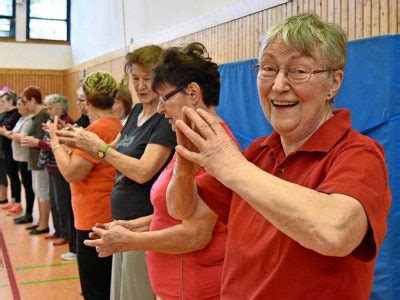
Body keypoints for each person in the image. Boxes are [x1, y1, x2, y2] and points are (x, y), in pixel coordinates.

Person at [166, 13, 391, 299]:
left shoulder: (358, 153)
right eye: (269, 69)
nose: (279, 85)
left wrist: (233, 167)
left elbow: (336, 232)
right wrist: (184, 165)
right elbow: (184, 211)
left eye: (299, 71)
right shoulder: (260, 153)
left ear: (333, 84)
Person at [82, 43, 233, 300]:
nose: (161, 108)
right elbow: (175, 214)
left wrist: (130, 241)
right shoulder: (188, 140)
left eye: (165, 97)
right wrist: (135, 225)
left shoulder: (213, 147)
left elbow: (195, 234)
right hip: (175, 283)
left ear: (193, 92)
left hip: (192, 285)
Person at [58, 45, 176, 300]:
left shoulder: (164, 120)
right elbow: (114, 151)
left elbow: (144, 171)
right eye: (135, 79)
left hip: (143, 222)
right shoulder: (135, 113)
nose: (142, 86)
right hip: (121, 220)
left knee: (136, 294)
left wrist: (97, 148)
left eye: (148, 78)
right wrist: (77, 141)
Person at [47, 71, 122, 300]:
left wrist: (55, 144)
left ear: (87, 102)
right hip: (105, 212)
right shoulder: (116, 125)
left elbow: (72, 172)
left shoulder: (96, 130)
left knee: (95, 288)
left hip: (93, 215)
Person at [38, 94, 73, 246]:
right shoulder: (53, 121)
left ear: (60, 107)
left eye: (50, 108)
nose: (48, 111)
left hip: (60, 168)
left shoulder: (67, 122)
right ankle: (58, 230)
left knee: (62, 202)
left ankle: (65, 234)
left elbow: (56, 144)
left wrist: (39, 143)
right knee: (54, 201)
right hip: (52, 167)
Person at [20, 86, 51, 235]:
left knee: (43, 191)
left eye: (26, 101)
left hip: (42, 161)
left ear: (33, 100)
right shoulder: (37, 115)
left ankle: (44, 224)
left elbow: (45, 139)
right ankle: (40, 221)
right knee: (37, 190)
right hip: (34, 160)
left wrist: (32, 140)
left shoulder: (43, 115)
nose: (25, 105)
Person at [1, 97, 35, 224]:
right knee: (23, 183)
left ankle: (28, 212)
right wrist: (10, 134)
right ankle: (25, 211)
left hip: (25, 157)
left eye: (20, 104)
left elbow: (21, 137)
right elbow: (14, 134)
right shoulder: (21, 118)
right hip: (18, 156)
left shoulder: (28, 119)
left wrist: (7, 133)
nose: (18, 107)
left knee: (28, 185)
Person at [0, 91, 21, 214]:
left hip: (14, 150)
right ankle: (13, 200)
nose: (2, 103)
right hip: (6, 149)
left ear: (11, 101)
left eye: (4, 101)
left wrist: (4, 131)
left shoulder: (16, 114)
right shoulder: (5, 114)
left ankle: (18, 202)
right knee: (11, 176)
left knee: (15, 177)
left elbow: (8, 131)